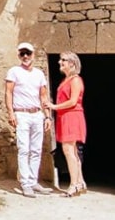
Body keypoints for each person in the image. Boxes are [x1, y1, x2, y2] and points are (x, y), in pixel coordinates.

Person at [5, 41, 53, 197]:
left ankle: (33, 181)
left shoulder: (39, 74)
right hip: (22, 114)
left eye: (28, 53)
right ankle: (25, 183)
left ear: (33, 54)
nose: (25, 56)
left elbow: (43, 96)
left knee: (36, 149)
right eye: (22, 53)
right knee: (24, 149)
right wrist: (11, 113)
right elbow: (8, 93)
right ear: (19, 55)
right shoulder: (14, 72)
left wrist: (47, 116)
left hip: (37, 114)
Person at [47, 51, 87, 197]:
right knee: (73, 151)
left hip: (72, 116)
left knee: (69, 151)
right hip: (65, 116)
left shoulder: (75, 80)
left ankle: (73, 184)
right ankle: (80, 182)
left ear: (72, 63)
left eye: (63, 60)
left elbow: (73, 101)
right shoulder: (67, 79)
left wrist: (53, 106)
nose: (60, 62)